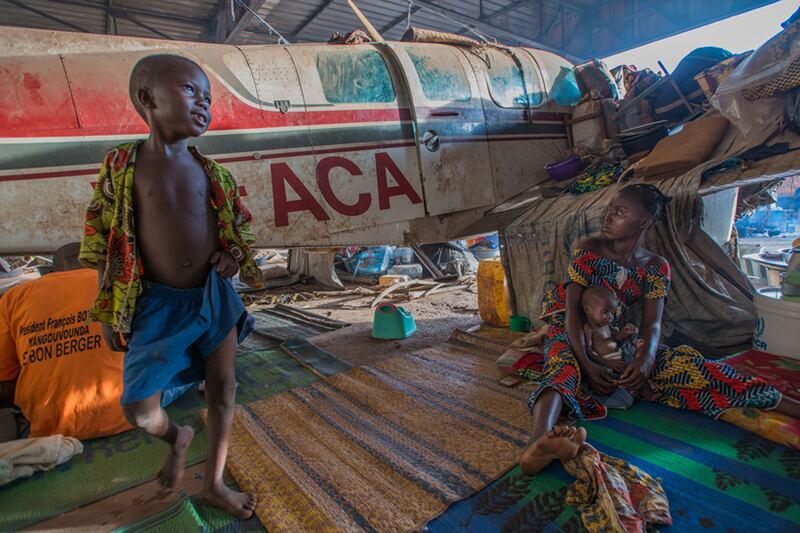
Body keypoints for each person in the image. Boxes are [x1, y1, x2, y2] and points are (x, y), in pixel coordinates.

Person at [79, 54, 264, 518]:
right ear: (148, 98)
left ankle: (215, 484)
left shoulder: (214, 173)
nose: (203, 104)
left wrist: (231, 257)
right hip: (157, 303)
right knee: (139, 408)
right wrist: (108, 310)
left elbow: (237, 230)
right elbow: (101, 237)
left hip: (213, 295)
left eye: (208, 98)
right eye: (190, 91)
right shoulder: (122, 165)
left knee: (223, 388)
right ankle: (176, 437)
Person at [520, 183, 800, 475]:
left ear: (642, 222)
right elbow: (572, 314)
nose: (608, 216)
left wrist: (645, 360)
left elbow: (652, 323)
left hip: (618, 338)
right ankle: (537, 445)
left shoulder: (656, 267)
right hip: (574, 332)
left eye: (620, 212)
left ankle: (789, 404)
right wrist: (588, 364)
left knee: (689, 367)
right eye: (610, 210)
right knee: (562, 366)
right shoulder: (588, 251)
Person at [0, 243, 132, 439]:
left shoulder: (12, 298)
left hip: (48, 426)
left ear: (51, 272)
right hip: (129, 414)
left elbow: (5, 379)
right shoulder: (123, 284)